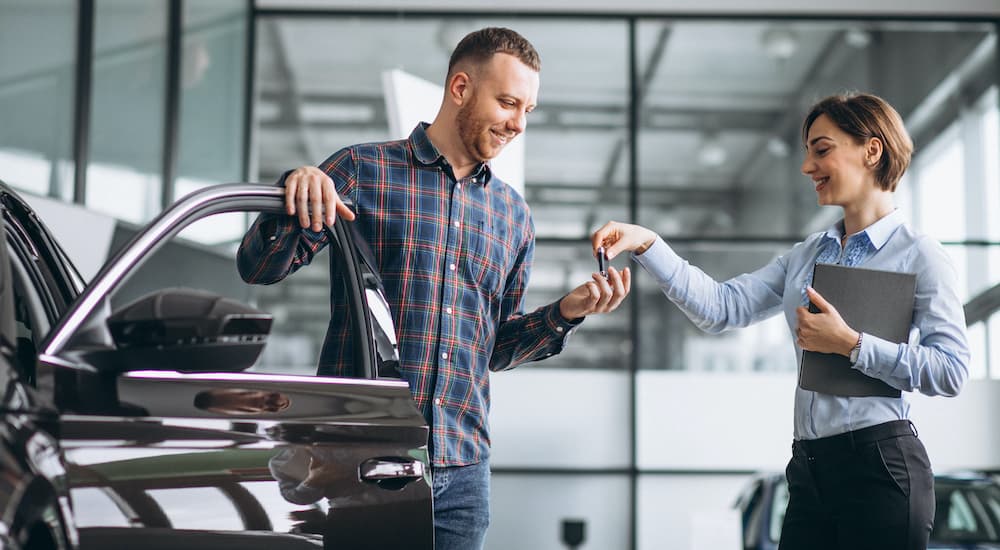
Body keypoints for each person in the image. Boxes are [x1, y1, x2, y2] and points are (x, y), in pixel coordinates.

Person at [237, 27, 631, 549]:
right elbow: (261, 267)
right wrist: (296, 185)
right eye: (508, 102)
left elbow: (496, 349)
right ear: (461, 88)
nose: (518, 123)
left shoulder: (513, 216)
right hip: (360, 459)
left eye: (528, 110)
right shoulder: (361, 169)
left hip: (463, 472)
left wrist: (565, 312)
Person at [592, 92, 968, 550]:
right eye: (808, 152)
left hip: (881, 468)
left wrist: (851, 343)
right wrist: (648, 244)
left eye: (822, 149)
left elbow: (951, 370)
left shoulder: (921, 256)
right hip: (809, 469)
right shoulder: (807, 255)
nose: (807, 167)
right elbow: (721, 308)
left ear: (872, 150)